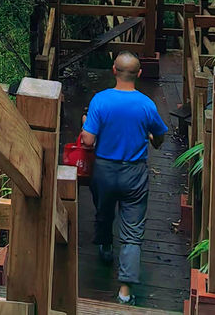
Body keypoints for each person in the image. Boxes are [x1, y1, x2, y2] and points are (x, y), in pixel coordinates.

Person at [81, 51, 168, 305]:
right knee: (132, 232)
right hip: (134, 174)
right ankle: (125, 292)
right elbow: (159, 137)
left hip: (105, 171)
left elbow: (88, 139)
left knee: (104, 210)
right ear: (139, 74)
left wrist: (86, 121)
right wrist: (153, 139)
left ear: (114, 71)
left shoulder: (100, 100)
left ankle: (106, 247)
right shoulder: (146, 105)